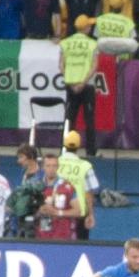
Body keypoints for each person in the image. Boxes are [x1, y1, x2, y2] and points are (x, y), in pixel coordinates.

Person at [60, 16, 100, 158]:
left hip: (71, 85)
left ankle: (66, 149)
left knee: (69, 119)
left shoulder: (65, 43)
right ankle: (91, 151)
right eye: (89, 26)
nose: (91, 28)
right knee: (89, 119)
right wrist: (83, 83)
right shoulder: (92, 44)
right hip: (87, 85)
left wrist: (71, 82)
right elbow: (94, 66)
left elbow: (61, 65)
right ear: (86, 28)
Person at [35, 153, 83, 240]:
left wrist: (57, 212)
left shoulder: (67, 187)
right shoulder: (36, 186)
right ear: (43, 167)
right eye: (48, 166)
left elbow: (79, 212)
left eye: (54, 166)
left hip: (63, 235)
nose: (51, 169)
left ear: (58, 167)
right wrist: (38, 210)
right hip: (43, 234)